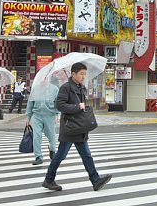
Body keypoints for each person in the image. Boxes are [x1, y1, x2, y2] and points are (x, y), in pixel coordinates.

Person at [43, 62, 112, 192]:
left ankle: (95, 180)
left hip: (79, 127)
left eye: (84, 74)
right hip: (70, 128)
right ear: (73, 74)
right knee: (60, 156)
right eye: (81, 74)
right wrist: (76, 107)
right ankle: (49, 179)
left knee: (86, 155)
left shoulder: (81, 88)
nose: (83, 76)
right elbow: (60, 106)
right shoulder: (65, 88)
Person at [26, 78, 59, 165]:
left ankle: (52, 150)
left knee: (52, 136)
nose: (44, 79)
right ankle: (38, 157)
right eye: (43, 78)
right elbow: (30, 104)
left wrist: (57, 114)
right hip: (37, 115)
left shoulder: (54, 89)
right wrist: (28, 118)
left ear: (49, 78)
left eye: (46, 77)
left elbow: (58, 103)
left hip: (50, 115)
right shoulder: (35, 89)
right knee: (37, 136)